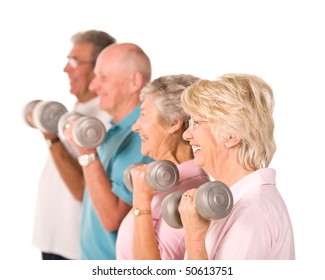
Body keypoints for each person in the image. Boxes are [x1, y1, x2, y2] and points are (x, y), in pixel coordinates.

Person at [178, 73, 295, 260]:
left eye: (198, 123)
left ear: (232, 135)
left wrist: (194, 238)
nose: (186, 135)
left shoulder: (254, 211)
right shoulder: (236, 201)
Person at [32, 30, 116, 260]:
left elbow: (83, 189)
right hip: (51, 242)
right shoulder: (77, 111)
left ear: (100, 67)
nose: (66, 68)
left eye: (74, 61)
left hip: (74, 250)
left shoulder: (105, 121)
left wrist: (51, 137)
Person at [64, 43, 153, 260]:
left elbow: (112, 218)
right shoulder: (114, 130)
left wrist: (86, 153)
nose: (93, 86)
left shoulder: (143, 138)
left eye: (102, 77)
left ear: (135, 81)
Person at [116, 74, 210, 260]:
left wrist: (141, 201)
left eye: (143, 116)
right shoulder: (157, 186)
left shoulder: (190, 195)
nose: (135, 126)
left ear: (174, 123)